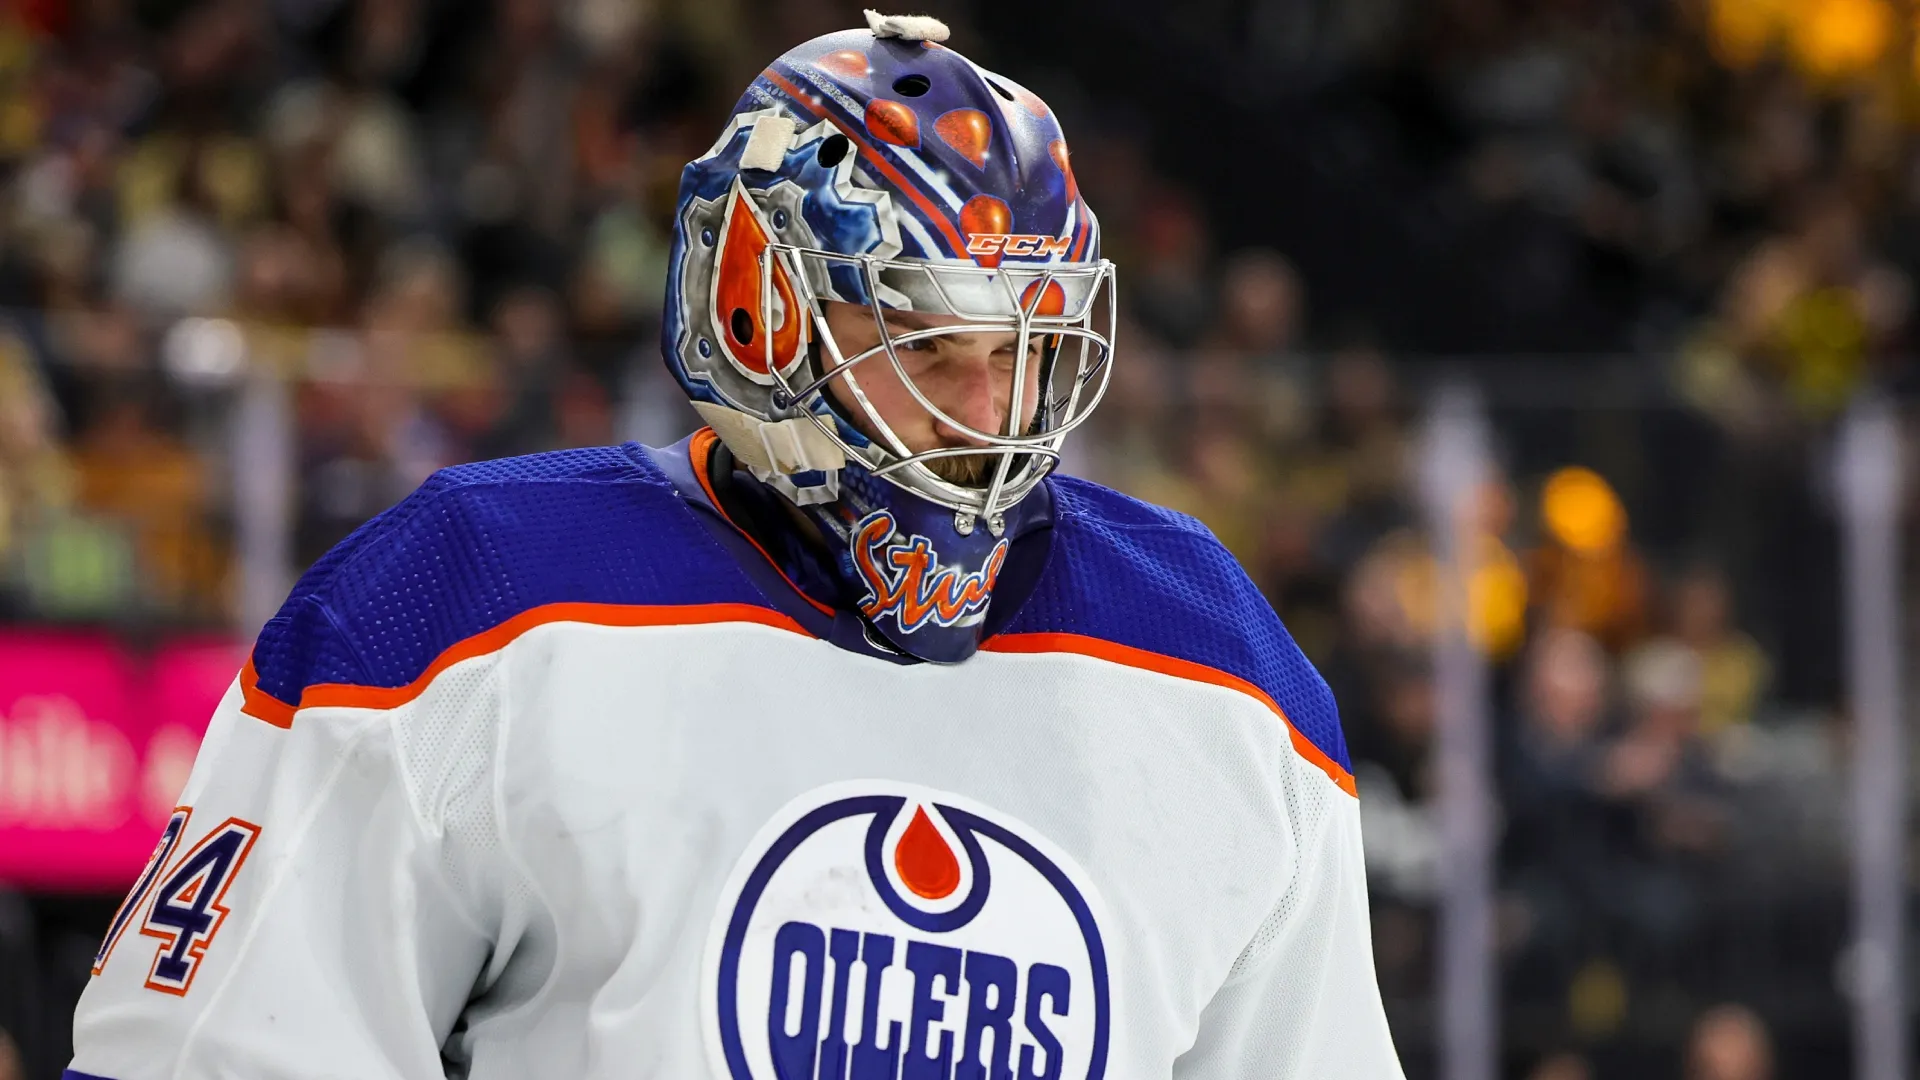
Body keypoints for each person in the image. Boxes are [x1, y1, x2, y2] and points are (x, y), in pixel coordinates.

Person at [67, 13, 1402, 1078]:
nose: (992, 417)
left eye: (1028, 352)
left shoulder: (1221, 667)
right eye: (934, 343)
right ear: (763, 314)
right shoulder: (466, 594)